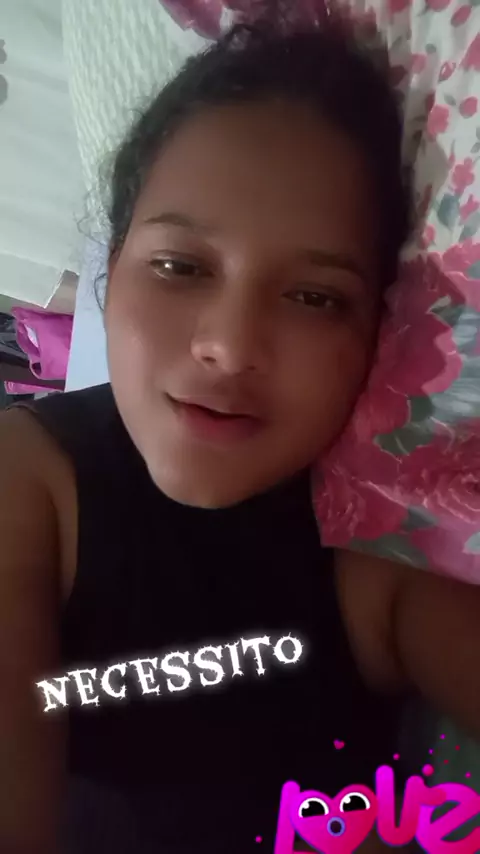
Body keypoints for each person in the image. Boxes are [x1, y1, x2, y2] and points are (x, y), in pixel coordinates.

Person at [0, 19, 478, 854]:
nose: (228, 344)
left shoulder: (374, 564)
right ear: (111, 275)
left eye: (315, 297)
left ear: (381, 331)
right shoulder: (29, 483)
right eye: (179, 266)